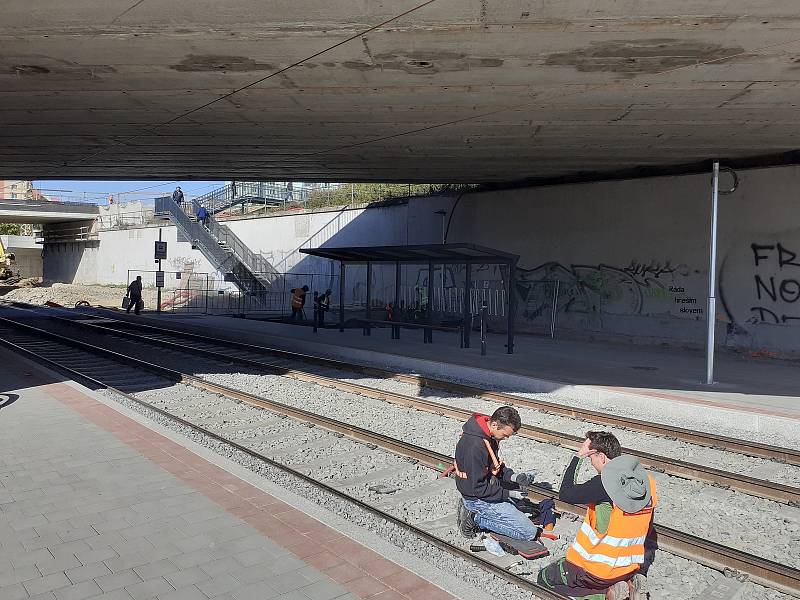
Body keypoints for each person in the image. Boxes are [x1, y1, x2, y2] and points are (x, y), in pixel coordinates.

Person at [537, 432, 657, 600]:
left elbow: (565, 493)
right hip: (629, 567)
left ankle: (605, 595)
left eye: (591, 458)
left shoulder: (604, 484)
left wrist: (579, 456)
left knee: (545, 579)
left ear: (601, 457)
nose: (591, 463)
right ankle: (628, 584)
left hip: (596, 570)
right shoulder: (646, 482)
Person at [454, 406, 539, 542]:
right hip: (477, 498)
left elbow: (494, 465)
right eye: (505, 435)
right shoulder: (475, 446)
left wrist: (514, 477)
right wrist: (509, 493)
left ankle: (479, 512)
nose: (505, 439)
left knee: (518, 501)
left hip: (487, 488)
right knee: (528, 533)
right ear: (495, 424)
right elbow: (479, 488)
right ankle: (475, 518)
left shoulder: (488, 435)